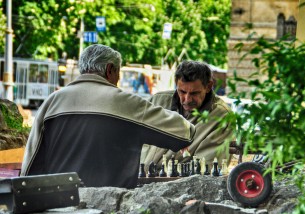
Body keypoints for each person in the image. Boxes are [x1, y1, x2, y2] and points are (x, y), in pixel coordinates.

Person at [20, 44, 195, 188]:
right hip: (110, 205)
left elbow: (30, 164)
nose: (118, 79)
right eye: (118, 73)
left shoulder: (52, 102)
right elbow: (183, 132)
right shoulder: (126, 103)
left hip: (60, 204)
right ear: (110, 70)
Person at [141, 60, 232, 169]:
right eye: (182, 92)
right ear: (176, 83)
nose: (187, 99)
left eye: (194, 93)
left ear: (208, 86)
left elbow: (206, 170)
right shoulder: (157, 101)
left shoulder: (222, 116)